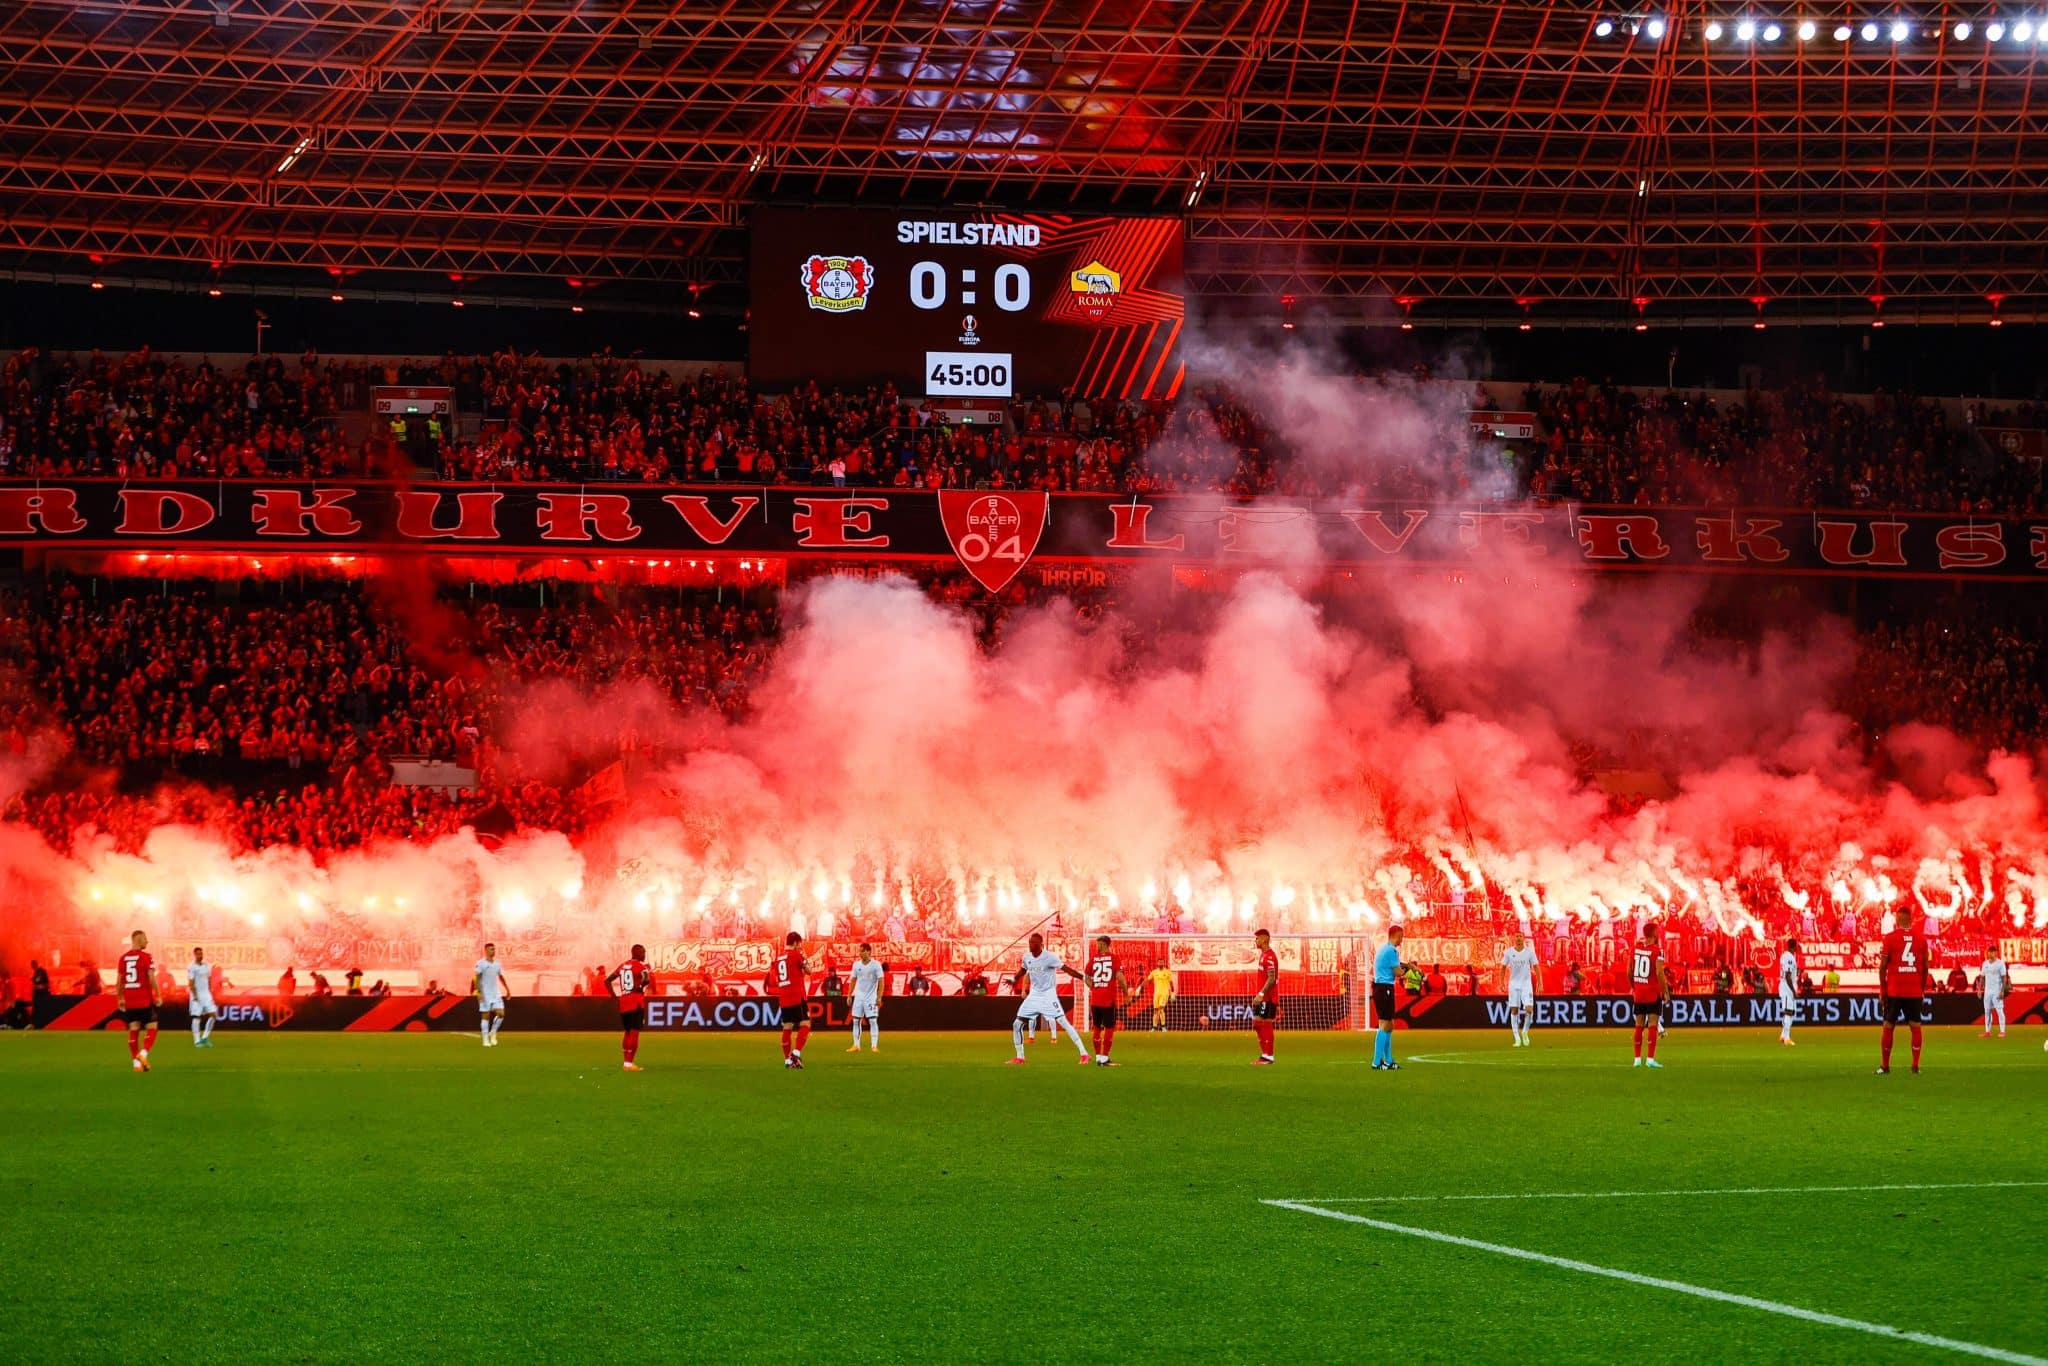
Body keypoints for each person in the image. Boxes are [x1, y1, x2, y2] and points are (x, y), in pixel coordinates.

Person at [1004, 932, 1090, 1065]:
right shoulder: (1027, 957)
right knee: (1017, 1024)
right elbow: (1023, 970)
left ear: (1040, 944)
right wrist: (1014, 979)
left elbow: (1067, 969)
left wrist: (1083, 978)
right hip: (1034, 995)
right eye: (1030, 942)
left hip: (1048, 995)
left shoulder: (1050, 957)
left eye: (1033, 942)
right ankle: (1020, 1057)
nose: (1030, 945)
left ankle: (1084, 1053)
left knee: (1063, 1022)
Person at [1877, 910, 1931, 1075]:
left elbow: (1883, 966)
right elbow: (1926, 968)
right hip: (1914, 990)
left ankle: (1885, 1067)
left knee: (1888, 1026)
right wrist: (1921, 989)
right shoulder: (1921, 939)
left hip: (1894, 989)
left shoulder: (1890, 938)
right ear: (1911, 920)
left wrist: (1883, 989)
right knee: (1915, 1026)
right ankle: (1915, 1066)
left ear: (1897, 920)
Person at [115, 930, 161, 1072]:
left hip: (130, 999)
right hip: (144, 999)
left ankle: (136, 1064)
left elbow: (119, 981)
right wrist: (158, 995)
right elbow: (152, 978)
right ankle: (143, 1054)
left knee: (134, 1029)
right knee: (152, 1028)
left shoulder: (123, 958)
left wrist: (120, 998)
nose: (147, 942)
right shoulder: (147, 957)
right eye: (145, 939)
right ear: (138, 939)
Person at [1084, 935, 1131, 1066]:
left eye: (1098, 944)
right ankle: (1104, 1058)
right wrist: (1126, 994)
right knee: (1109, 1028)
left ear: (1104, 944)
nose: (1096, 946)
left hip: (1095, 999)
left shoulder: (1093, 960)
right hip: (1107, 1000)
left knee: (1096, 1028)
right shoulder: (1114, 958)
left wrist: (1093, 987)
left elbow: (1086, 977)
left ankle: (1098, 1057)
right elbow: (1120, 978)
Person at [768, 931, 811, 1069]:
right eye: (800, 944)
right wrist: (804, 957)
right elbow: (809, 970)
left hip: (784, 996)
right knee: (805, 1024)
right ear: (796, 943)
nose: (800, 946)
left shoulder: (779, 958)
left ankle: (787, 1060)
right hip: (797, 995)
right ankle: (796, 1054)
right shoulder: (797, 955)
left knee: (787, 1026)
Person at [1628, 923, 1669, 1069]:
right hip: (1652, 993)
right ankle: (1650, 1059)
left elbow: (1629, 971)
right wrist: (1665, 993)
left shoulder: (1634, 949)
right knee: (1652, 1025)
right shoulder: (1658, 951)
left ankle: (1637, 1059)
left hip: (1639, 993)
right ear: (1654, 933)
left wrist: (1635, 987)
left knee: (1638, 1025)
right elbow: (1659, 973)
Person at [1371, 924, 1409, 1071]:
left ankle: (1388, 1060)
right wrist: (1412, 977)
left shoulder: (1384, 948)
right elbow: (1398, 971)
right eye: (1401, 936)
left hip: (1381, 988)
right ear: (1396, 935)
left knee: (1390, 1025)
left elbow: (1397, 965)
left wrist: (1408, 966)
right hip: (1384, 989)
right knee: (1385, 1025)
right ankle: (1376, 1062)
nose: (1402, 940)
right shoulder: (1392, 950)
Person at [608, 944, 651, 1071]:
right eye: (643, 952)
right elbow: (646, 979)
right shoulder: (640, 966)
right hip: (635, 1001)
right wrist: (640, 987)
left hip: (624, 1001)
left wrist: (614, 996)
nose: (644, 954)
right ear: (637, 953)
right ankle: (629, 1063)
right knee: (634, 1032)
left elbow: (607, 980)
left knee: (627, 1032)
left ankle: (626, 1062)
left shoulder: (623, 965)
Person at [1502, 932, 1538, 1047]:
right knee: (1514, 1011)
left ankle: (1525, 1032)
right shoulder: (1509, 952)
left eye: (1520, 936)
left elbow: (1536, 967)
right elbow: (1502, 967)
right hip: (1513, 985)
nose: (1518, 938)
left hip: (1526, 985)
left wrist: (1540, 983)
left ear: (1523, 938)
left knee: (1529, 1009)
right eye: (1516, 936)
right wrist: (1501, 982)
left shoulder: (1529, 952)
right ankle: (1517, 1038)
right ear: (1514, 938)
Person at [847, 944, 885, 1053]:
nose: (860, 953)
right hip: (859, 997)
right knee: (855, 1021)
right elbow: (853, 980)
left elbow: (881, 981)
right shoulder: (856, 965)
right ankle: (856, 1045)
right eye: (860, 951)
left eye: (863, 951)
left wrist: (879, 997)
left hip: (871, 997)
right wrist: (849, 995)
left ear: (869, 952)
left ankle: (874, 1046)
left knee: (872, 1020)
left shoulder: (876, 965)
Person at [1250, 928, 1280, 1066]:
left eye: (1257, 938)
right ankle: (1264, 1055)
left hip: (1268, 998)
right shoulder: (1263, 955)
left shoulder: (1270, 956)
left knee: (1265, 1024)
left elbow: (1272, 978)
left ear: (1263, 939)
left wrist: (1261, 994)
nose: (1255, 941)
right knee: (1257, 1024)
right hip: (1262, 997)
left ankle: (1269, 1057)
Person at [472, 943, 509, 1048]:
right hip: (485, 993)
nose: (493, 951)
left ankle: (493, 1032)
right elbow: (477, 978)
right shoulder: (481, 963)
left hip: (496, 993)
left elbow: (501, 976)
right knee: (486, 1016)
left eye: (494, 949)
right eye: (491, 949)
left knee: (501, 1014)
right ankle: (485, 1040)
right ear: (486, 951)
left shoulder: (497, 964)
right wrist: (478, 992)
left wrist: (507, 989)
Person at [187, 948, 217, 1049]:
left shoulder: (206, 966)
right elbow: (190, 983)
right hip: (197, 995)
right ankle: (197, 1041)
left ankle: (205, 1037)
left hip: (206, 994)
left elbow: (208, 980)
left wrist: (210, 993)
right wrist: (195, 996)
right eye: (198, 954)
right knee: (197, 1017)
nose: (200, 955)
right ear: (194, 955)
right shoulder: (192, 967)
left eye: (201, 953)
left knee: (213, 1015)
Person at [1980, 946, 2009, 1039]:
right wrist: (1980, 989)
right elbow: (1982, 977)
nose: (1991, 953)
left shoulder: (2000, 963)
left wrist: (2002, 991)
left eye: (1993, 952)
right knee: (1987, 1011)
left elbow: (2004, 977)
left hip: (1996, 991)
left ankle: (2002, 1031)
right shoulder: (1985, 964)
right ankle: (1987, 1031)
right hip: (1987, 992)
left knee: (1999, 1011)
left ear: (1996, 953)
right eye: (1989, 952)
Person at [1777, 938, 1801, 1046]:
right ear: (1794, 946)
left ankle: (1783, 1035)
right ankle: (1787, 1038)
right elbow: (1787, 976)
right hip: (1787, 988)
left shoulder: (1785, 956)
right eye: (1797, 945)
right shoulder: (1789, 957)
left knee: (1791, 1012)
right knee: (1788, 1012)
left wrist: (1797, 972)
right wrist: (1793, 991)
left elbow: (1790, 973)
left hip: (1787, 987)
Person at [1145, 963, 1174, 1030]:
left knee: (1161, 1009)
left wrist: (1172, 992)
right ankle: (1154, 1027)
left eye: (1162, 962)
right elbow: (1147, 979)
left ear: (1163, 963)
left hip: (1165, 993)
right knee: (1155, 1011)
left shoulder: (1167, 972)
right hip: (1156, 994)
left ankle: (1163, 1026)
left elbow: (1171, 982)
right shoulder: (1154, 972)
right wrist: (1140, 987)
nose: (1160, 963)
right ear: (1157, 963)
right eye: (1159, 962)